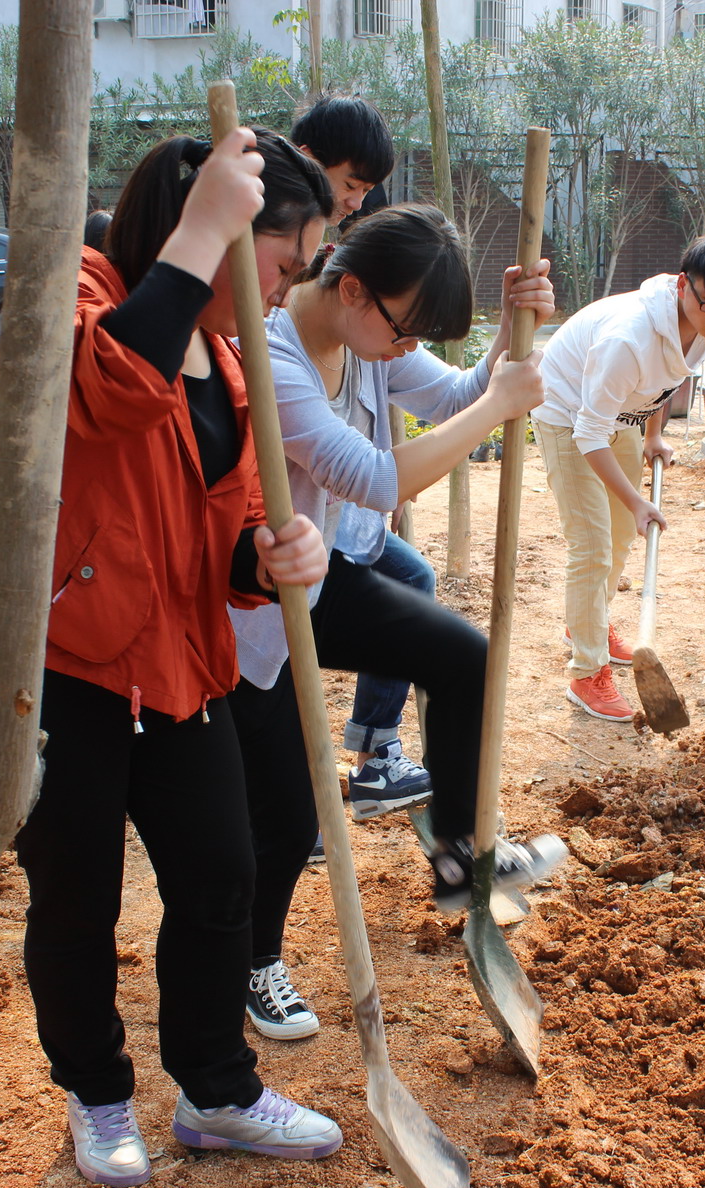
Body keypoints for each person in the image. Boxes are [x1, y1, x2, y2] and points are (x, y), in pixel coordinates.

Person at [0, 129, 343, 1188]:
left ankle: (216, 1092)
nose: (281, 292)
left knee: (222, 872)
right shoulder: (69, 292)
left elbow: (238, 525)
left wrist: (274, 555)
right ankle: (97, 1092)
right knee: (77, 896)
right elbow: (113, 385)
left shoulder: (229, 349)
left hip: (172, 657)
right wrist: (208, 229)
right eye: (281, 262)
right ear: (207, 227)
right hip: (51, 660)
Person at [228, 203, 566, 1041]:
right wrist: (498, 407)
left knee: (464, 659)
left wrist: (506, 339)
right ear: (352, 291)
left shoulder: (367, 339)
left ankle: (456, 855)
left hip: (323, 572)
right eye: (406, 329)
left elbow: (457, 392)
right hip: (252, 603)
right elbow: (372, 478)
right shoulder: (270, 350)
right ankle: (252, 960)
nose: (409, 348)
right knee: (289, 816)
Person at [533, 236, 705, 721]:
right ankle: (586, 672)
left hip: (623, 418)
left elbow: (666, 381)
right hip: (568, 415)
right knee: (592, 544)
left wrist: (653, 435)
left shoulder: (701, 325)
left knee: (617, 540)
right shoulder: (627, 339)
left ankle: (585, 624)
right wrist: (637, 500)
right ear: (684, 286)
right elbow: (588, 433)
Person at [287, 93, 432, 810]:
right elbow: (366, 472)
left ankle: (374, 753)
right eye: (351, 184)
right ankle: (298, 798)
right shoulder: (286, 284)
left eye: (366, 192)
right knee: (286, 654)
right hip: (286, 530)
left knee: (413, 583)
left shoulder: (355, 296)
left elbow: (438, 392)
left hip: (341, 522)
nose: (355, 203)